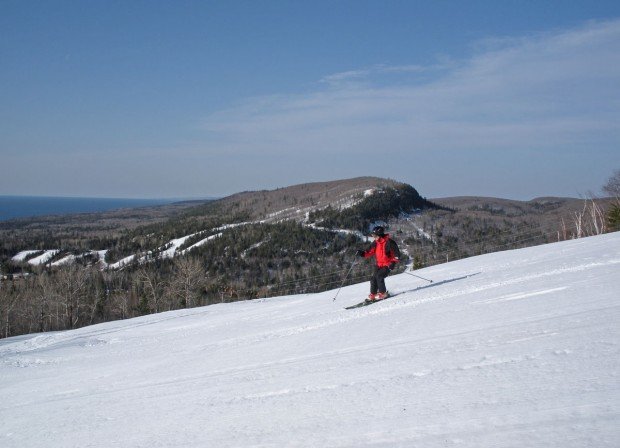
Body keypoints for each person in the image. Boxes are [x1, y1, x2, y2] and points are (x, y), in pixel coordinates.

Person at [356, 225, 400, 302]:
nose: (374, 237)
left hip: (387, 264)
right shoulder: (376, 243)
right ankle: (373, 294)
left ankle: (383, 293)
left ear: (380, 235)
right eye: (373, 235)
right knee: (373, 279)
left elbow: (397, 254)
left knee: (379, 276)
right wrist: (362, 253)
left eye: (375, 235)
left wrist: (393, 262)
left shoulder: (390, 242)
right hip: (379, 264)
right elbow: (369, 251)